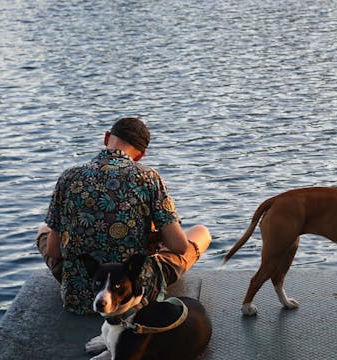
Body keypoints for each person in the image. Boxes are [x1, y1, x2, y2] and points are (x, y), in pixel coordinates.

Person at [37, 117, 211, 315]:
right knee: (201, 232)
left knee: (44, 231)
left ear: (106, 138)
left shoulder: (68, 177)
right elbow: (179, 246)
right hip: (133, 298)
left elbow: (54, 252)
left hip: (79, 296)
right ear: (140, 156)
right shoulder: (149, 177)